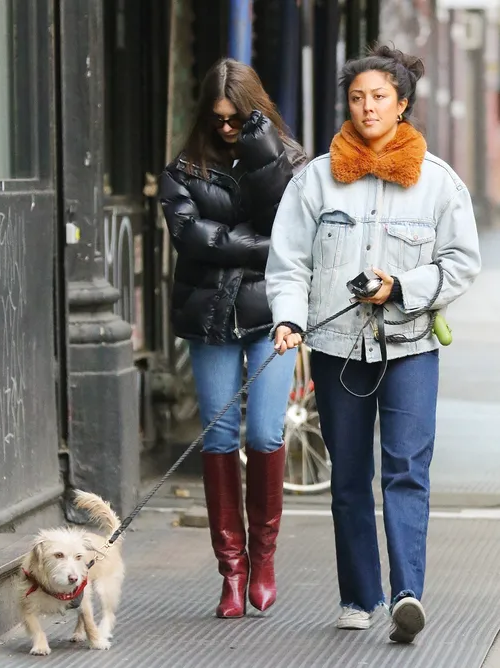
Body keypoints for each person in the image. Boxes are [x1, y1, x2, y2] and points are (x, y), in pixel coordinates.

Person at [265, 45, 481, 643]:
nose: (368, 107)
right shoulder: (316, 180)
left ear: (401, 104)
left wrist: (402, 288)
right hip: (336, 347)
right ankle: (360, 596)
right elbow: (288, 262)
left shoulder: (439, 183)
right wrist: (289, 319)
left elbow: (462, 263)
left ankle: (408, 595)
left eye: (380, 97)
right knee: (349, 476)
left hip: (410, 345)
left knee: (407, 469)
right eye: (358, 97)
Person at [159, 58, 306, 619]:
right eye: (217, 118)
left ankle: (263, 560)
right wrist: (256, 247)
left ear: (255, 112)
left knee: (266, 433)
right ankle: (232, 571)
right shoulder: (183, 168)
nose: (225, 127)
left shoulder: (289, 160)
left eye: (235, 118)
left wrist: (263, 154)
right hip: (211, 317)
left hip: (273, 315)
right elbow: (189, 236)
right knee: (219, 438)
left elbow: (293, 232)